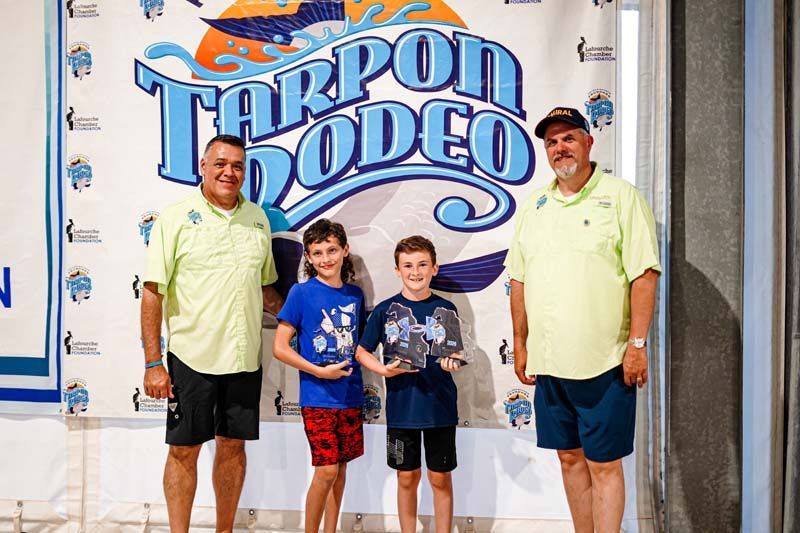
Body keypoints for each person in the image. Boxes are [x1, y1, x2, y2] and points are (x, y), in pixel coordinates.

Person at [505, 107, 660, 533]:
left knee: (604, 463)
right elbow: (518, 279)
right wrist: (520, 343)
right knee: (569, 457)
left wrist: (637, 345)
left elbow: (644, 275)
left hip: (605, 362)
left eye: (569, 138)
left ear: (589, 142)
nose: (560, 148)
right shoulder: (534, 206)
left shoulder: (621, 196)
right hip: (550, 362)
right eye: (552, 142)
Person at [140, 134, 283, 533]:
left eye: (237, 166)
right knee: (183, 451)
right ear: (203, 167)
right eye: (220, 163)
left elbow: (266, 289)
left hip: (243, 358)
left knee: (233, 448)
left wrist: (303, 321)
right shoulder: (175, 219)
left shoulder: (257, 219)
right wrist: (153, 363)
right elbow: (152, 293)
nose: (228, 172)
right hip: (191, 358)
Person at [356, 235, 463, 533]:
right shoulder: (385, 310)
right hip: (402, 410)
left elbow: (455, 352)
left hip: (440, 409)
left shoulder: (446, 308)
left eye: (422, 265)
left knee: (440, 478)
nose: (415, 272)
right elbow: (362, 351)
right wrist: (383, 370)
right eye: (408, 266)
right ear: (397, 270)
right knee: (406, 477)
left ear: (434, 268)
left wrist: (453, 361)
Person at [272, 219, 366, 533]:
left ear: (345, 250)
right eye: (317, 253)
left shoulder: (355, 295)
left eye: (332, 250)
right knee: (326, 471)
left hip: (350, 396)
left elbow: (359, 346)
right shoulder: (301, 293)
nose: (326, 258)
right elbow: (280, 347)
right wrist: (318, 371)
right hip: (317, 398)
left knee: (339, 471)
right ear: (309, 258)